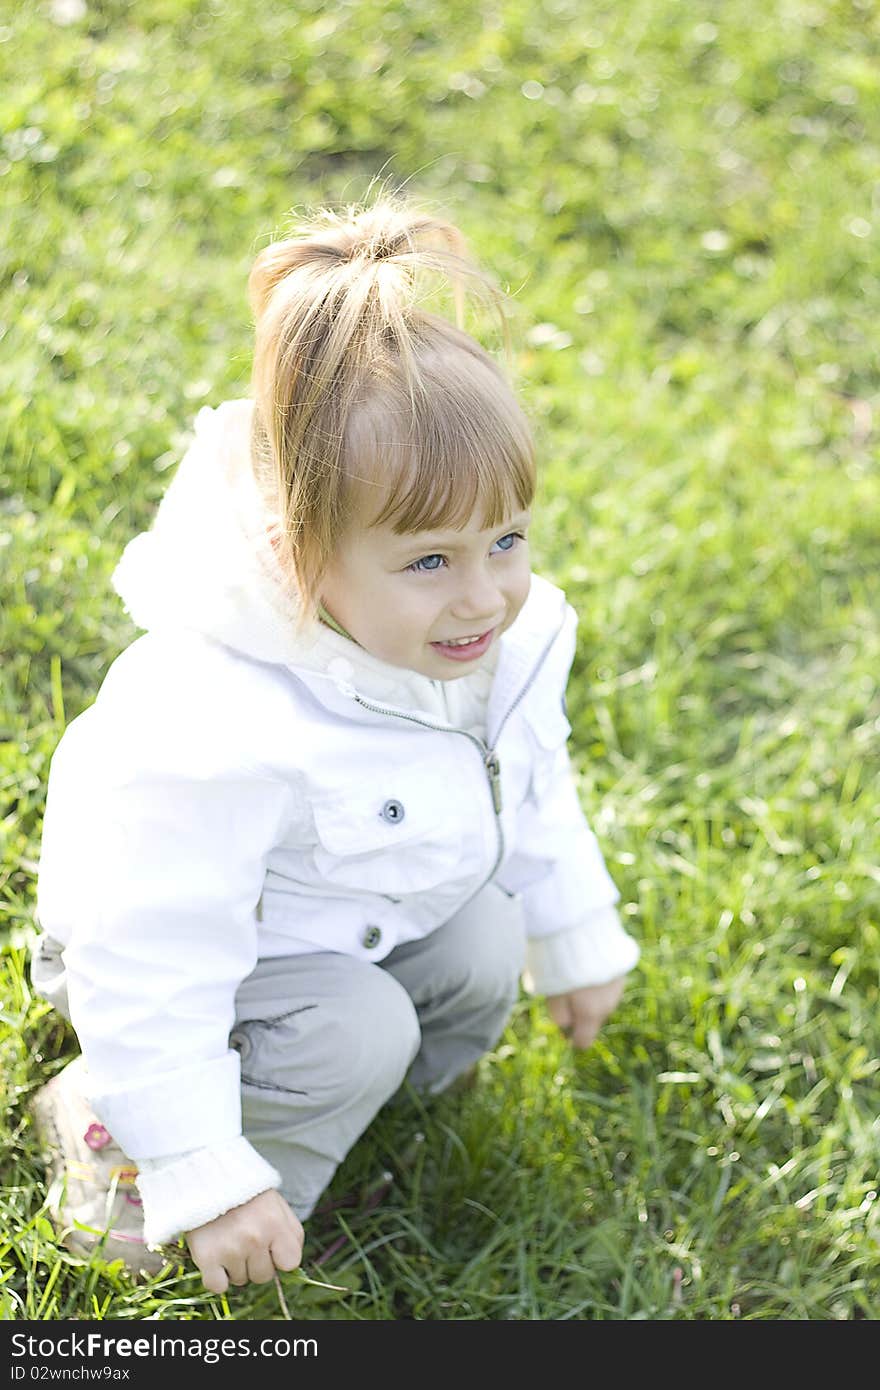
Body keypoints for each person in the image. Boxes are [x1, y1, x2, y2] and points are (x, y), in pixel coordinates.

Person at [30, 189, 640, 1295]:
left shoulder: (513, 628)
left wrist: (576, 931)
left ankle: (372, 1129)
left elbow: (530, 782)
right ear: (296, 554)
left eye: (505, 538)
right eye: (427, 561)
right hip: (173, 959)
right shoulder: (214, 715)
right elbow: (151, 948)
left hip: (362, 899)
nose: (483, 596)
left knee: (481, 940)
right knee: (353, 1028)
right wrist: (205, 1170)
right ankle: (124, 1145)